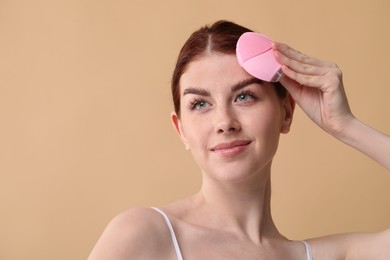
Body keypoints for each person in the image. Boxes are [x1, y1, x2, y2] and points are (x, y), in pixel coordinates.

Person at [88, 20, 390, 260]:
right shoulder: (145, 235)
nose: (224, 123)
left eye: (244, 96)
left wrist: (346, 126)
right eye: (200, 104)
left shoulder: (323, 256)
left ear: (286, 113)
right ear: (181, 129)